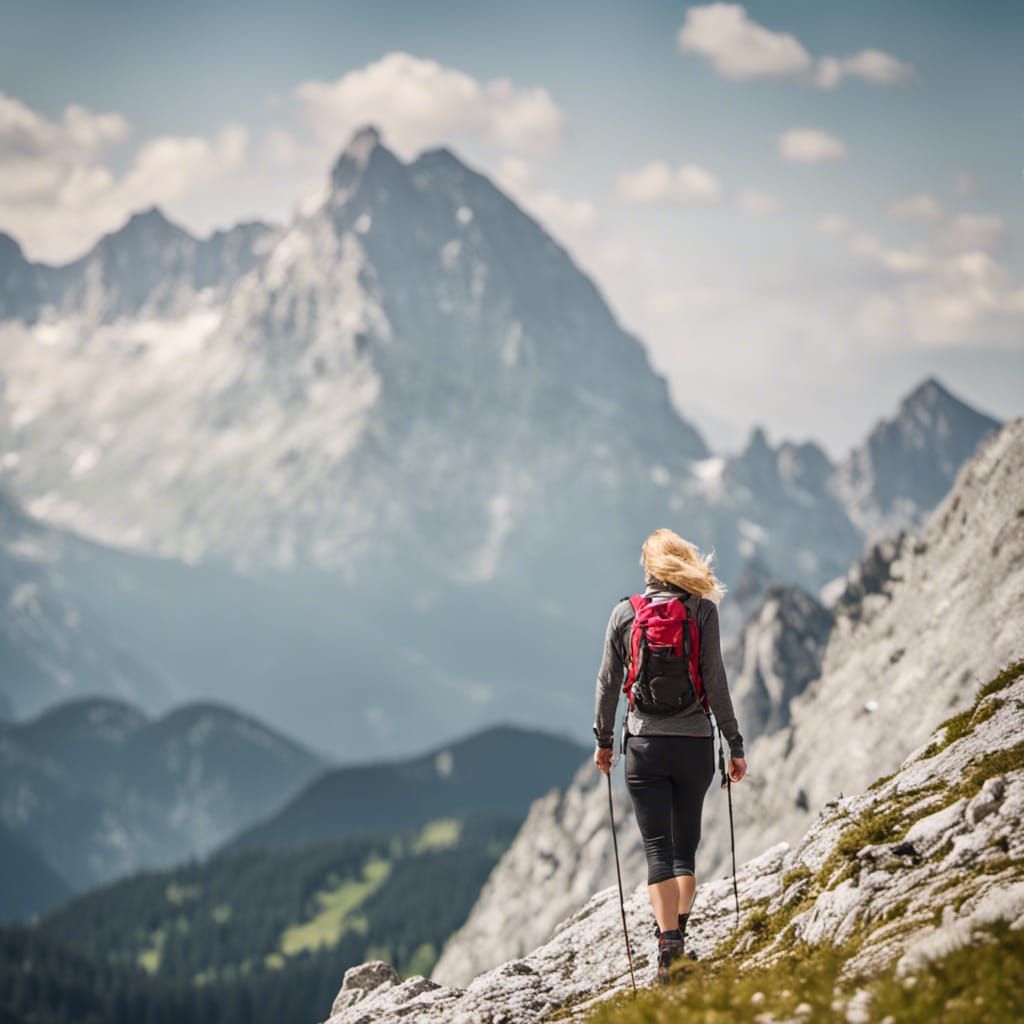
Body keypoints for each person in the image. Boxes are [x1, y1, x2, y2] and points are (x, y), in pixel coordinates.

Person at [593, 528, 746, 983]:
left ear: (650, 569)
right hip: (696, 744)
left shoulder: (625, 613)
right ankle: (678, 942)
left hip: (643, 745)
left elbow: (606, 683)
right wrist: (734, 744)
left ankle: (667, 951)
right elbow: (715, 682)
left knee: (657, 850)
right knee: (685, 853)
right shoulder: (703, 611)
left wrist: (604, 742)